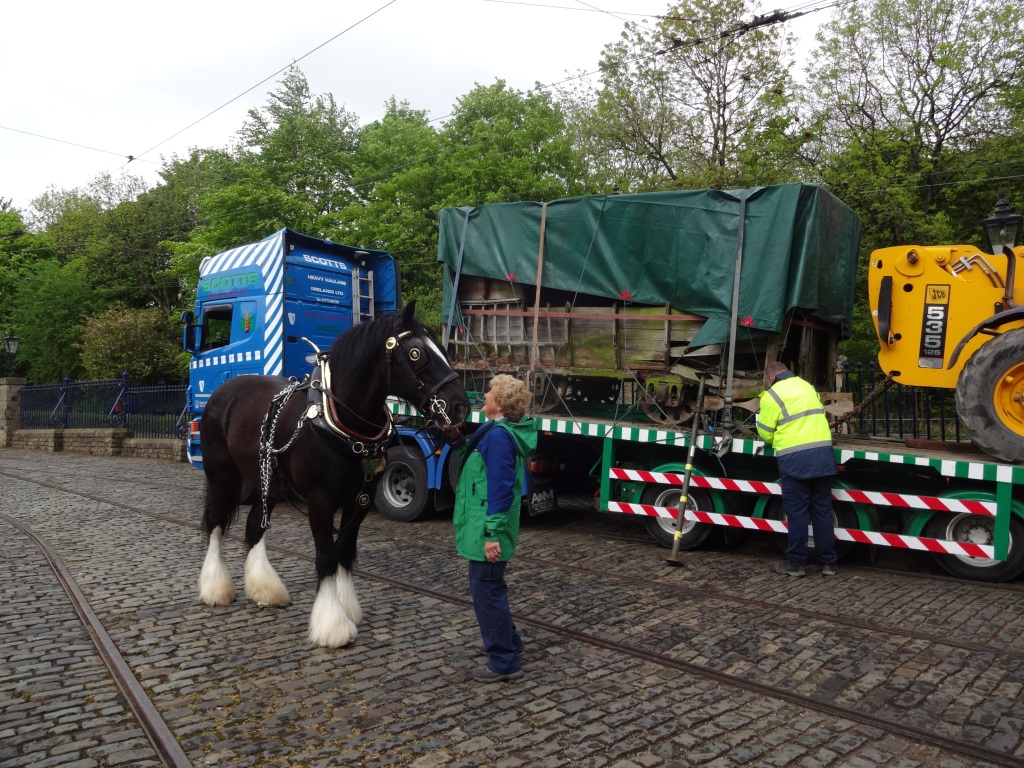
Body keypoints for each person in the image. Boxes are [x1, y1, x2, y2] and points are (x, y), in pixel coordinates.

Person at [444, 374, 537, 682]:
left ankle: (504, 662)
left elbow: (500, 487)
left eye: (490, 391)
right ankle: (510, 643)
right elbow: (474, 464)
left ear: (501, 403)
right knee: (489, 588)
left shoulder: (499, 436)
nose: (484, 394)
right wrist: (457, 439)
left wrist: (491, 535)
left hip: (487, 526)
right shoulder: (496, 430)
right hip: (483, 522)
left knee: (486, 592)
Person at [756, 362, 839, 577]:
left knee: (797, 513)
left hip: (795, 460)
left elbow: (765, 432)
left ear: (771, 377)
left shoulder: (772, 395)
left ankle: (796, 563)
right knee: (822, 512)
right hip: (822, 456)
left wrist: (776, 439)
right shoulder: (807, 386)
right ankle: (828, 564)